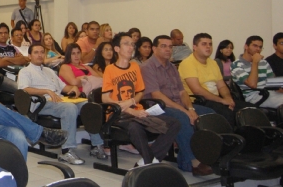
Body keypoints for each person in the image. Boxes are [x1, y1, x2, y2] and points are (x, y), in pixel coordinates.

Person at [18, 43, 106, 165]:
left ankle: (97, 145)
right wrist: (46, 91)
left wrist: (73, 88)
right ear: (29, 56)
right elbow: (24, 89)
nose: (39, 55)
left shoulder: (49, 71)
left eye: (42, 52)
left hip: (58, 100)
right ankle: (67, 151)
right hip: (41, 103)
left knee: (88, 105)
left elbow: (64, 87)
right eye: (36, 52)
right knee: (69, 108)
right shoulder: (25, 71)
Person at [103, 33, 181, 167]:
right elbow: (105, 98)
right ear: (117, 49)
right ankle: (150, 161)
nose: (131, 47)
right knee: (135, 127)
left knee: (174, 123)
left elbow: (140, 91)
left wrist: (132, 101)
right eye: (126, 44)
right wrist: (130, 110)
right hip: (118, 114)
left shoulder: (135, 67)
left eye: (132, 44)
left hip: (138, 112)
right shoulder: (110, 69)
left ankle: (148, 160)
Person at [141, 35, 213, 175]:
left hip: (177, 105)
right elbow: (156, 95)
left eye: (170, 46)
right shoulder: (147, 67)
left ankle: (205, 156)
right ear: (154, 49)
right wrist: (185, 111)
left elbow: (182, 92)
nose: (168, 49)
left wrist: (190, 108)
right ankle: (193, 162)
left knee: (209, 113)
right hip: (158, 107)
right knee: (182, 118)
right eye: (163, 46)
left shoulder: (172, 67)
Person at [178, 33, 245, 126]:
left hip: (216, 99)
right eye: (204, 44)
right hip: (200, 101)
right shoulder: (187, 63)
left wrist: (228, 98)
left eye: (210, 44)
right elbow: (197, 90)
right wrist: (222, 101)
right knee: (227, 113)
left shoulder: (213, 63)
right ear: (194, 47)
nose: (208, 47)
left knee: (247, 109)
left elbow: (222, 86)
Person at [231, 35, 283, 109]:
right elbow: (252, 84)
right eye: (255, 46)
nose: (258, 49)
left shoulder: (263, 62)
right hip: (254, 96)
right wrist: (255, 62)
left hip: (270, 93)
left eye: (260, 47)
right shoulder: (236, 64)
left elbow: (274, 84)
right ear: (246, 46)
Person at [0, 23, 28, 94]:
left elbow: (23, 60)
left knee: (32, 85)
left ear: (8, 35)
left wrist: (6, 59)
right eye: (0, 33)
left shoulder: (12, 47)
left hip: (17, 75)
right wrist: (15, 59)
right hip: (0, 78)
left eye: (5, 33)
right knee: (21, 89)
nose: (3, 35)